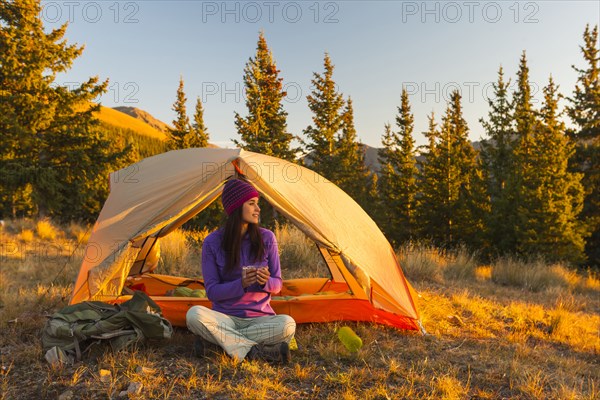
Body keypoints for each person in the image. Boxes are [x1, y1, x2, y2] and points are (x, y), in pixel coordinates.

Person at [186, 178, 296, 364]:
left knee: (287, 324)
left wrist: (265, 282)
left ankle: (219, 345)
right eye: (251, 203)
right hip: (224, 317)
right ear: (236, 208)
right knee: (194, 315)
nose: (258, 209)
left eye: (257, 204)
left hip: (260, 319)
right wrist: (241, 284)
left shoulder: (267, 238)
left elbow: (277, 284)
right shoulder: (212, 242)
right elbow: (212, 292)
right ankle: (255, 351)